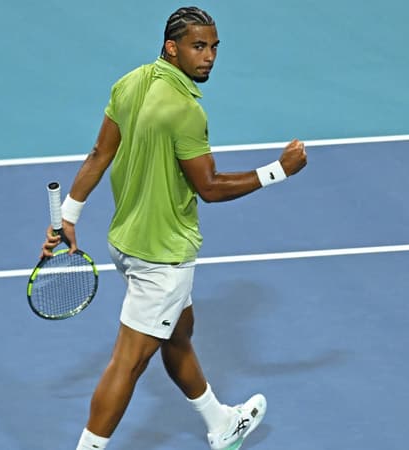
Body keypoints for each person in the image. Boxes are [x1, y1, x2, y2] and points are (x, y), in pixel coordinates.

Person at [41, 6, 307, 450]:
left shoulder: (129, 83)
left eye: (214, 47)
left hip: (125, 243)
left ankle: (221, 424)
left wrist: (69, 214)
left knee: (178, 335)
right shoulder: (185, 111)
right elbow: (210, 188)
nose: (209, 57)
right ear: (172, 48)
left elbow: (99, 153)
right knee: (127, 363)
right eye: (198, 46)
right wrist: (278, 170)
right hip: (162, 258)